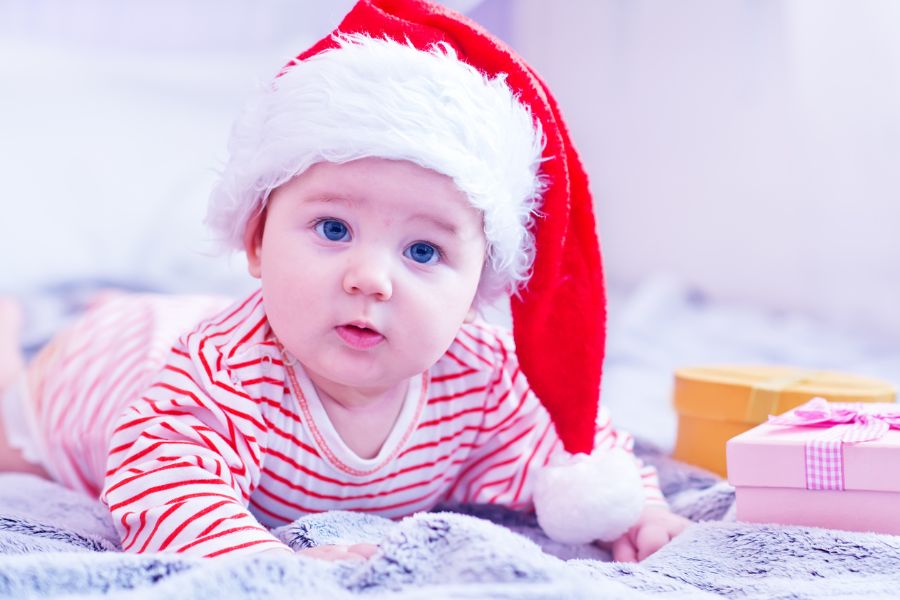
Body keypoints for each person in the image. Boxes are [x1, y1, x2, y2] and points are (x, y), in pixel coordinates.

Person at [0, 0, 689, 561]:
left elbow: (570, 440)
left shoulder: (481, 377)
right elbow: (162, 487)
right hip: (111, 361)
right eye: (333, 230)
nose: (371, 279)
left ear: (480, 285)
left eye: (422, 251)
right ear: (256, 241)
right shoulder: (219, 379)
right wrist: (267, 565)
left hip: (207, 321)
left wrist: (634, 509)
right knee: (12, 443)